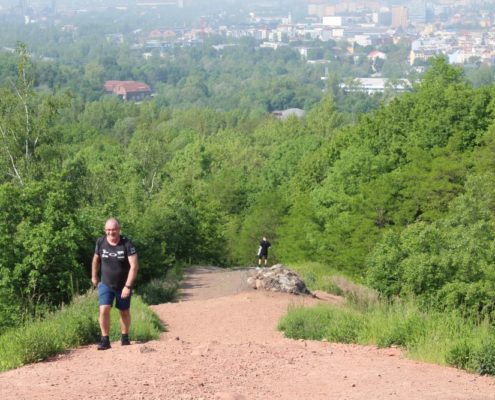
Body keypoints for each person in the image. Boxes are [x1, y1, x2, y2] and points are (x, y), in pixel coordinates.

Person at [91, 218, 138, 350]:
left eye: (114, 229)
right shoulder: (100, 242)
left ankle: (125, 337)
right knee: (104, 309)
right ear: (105, 230)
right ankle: (105, 340)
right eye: (109, 230)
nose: (111, 232)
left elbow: (134, 266)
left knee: (124, 312)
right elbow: (96, 259)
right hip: (106, 284)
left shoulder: (127, 244)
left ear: (119, 229)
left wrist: (128, 286)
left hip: (123, 285)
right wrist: (94, 276)